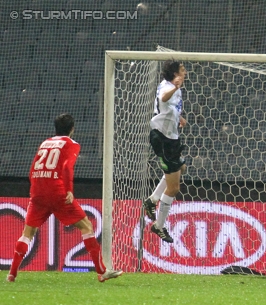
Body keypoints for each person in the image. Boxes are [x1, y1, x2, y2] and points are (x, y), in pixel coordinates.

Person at [7, 114, 123, 282]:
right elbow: (67, 167)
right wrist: (69, 189)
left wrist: (35, 190)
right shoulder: (71, 144)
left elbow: (32, 169)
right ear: (72, 129)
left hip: (38, 190)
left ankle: (12, 274)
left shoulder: (45, 143)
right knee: (86, 226)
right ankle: (102, 271)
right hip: (57, 189)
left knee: (28, 232)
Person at [142, 60, 188, 243]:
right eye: (182, 70)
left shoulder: (174, 87)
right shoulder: (168, 87)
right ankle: (158, 226)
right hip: (163, 138)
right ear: (175, 73)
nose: (185, 72)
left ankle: (152, 200)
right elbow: (163, 98)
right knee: (174, 188)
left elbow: (165, 107)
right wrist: (175, 88)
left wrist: (179, 117)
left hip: (171, 137)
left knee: (181, 169)